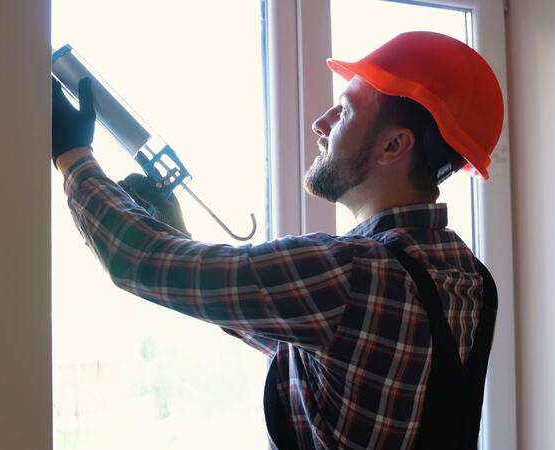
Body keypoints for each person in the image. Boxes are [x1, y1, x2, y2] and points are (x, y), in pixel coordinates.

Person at [51, 31, 501, 450]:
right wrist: (184, 239)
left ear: (394, 146)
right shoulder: (467, 277)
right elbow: (322, 348)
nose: (320, 124)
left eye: (344, 111)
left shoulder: (352, 273)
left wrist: (73, 157)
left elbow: (140, 260)